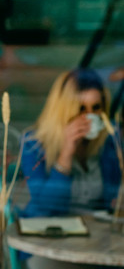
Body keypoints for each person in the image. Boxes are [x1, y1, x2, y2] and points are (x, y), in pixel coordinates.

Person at [21, 68, 121, 219]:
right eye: (81, 109)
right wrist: (66, 153)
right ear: (63, 111)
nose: (90, 116)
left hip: (95, 233)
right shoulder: (33, 144)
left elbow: (114, 201)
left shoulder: (110, 141)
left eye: (96, 108)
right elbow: (45, 206)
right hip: (49, 232)